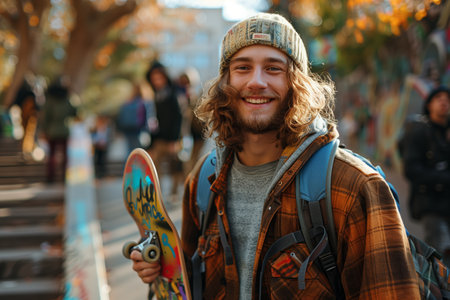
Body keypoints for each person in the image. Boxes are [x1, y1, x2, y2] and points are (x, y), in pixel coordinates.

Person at [131, 13, 419, 299]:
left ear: (297, 83)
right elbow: (191, 281)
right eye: (242, 68)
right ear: (224, 82)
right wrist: (161, 270)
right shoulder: (203, 181)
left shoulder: (355, 187)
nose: (256, 81)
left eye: (273, 68)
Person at [401, 85, 450, 266]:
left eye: (447, 99)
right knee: (441, 252)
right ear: (429, 105)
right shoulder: (419, 132)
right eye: (439, 99)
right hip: (431, 204)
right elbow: (411, 169)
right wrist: (443, 178)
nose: (444, 102)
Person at [145, 61, 183, 201]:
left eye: (159, 78)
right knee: (155, 167)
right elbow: (153, 121)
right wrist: (151, 142)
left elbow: (178, 118)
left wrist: (174, 139)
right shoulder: (155, 95)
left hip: (172, 139)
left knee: (175, 166)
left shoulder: (173, 94)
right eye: (154, 79)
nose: (157, 81)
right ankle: (156, 194)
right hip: (158, 138)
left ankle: (175, 192)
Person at [40, 79, 77, 183]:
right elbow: (74, 112)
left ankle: (50, 176)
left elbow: (45, 118)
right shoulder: (67, 99)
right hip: (64, 130)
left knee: (52, 154)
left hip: (52, 131)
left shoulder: (50, 100)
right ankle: (64, 176)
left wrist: (44, 130)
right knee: (65, 154)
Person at [117, 83, 147, 155]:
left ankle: (128, 166)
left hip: (127, 130)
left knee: (129, 152)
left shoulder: (128, 102)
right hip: (138, 130)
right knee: (139, 152)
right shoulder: (143, 102)